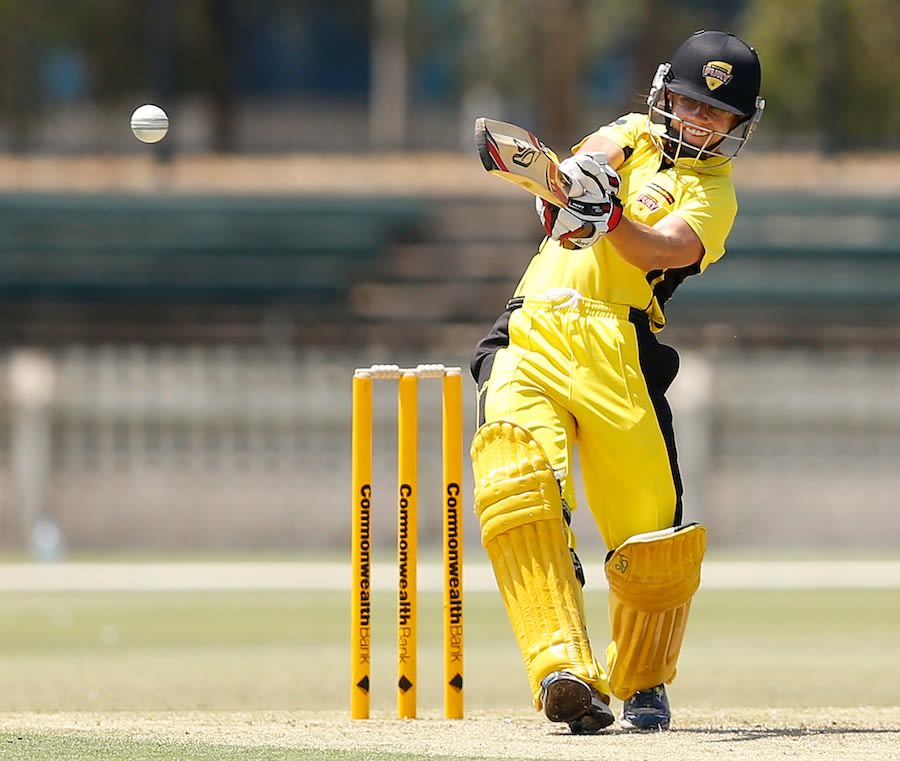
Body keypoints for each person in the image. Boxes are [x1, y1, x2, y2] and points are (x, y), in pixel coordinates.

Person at [469, 30, 764, 733]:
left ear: (737, 126)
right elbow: (583, 164)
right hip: (532, 327)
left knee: (651, 540)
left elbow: (665, 248)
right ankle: (562, 670)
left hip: (618, 344)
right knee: (518, 481)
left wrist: (608, 218)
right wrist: (571, 185)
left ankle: (642, 680)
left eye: (716, 114)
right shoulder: (630, 134)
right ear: (664, 95)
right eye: (688, 103)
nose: (698, 120)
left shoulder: (714, 193)